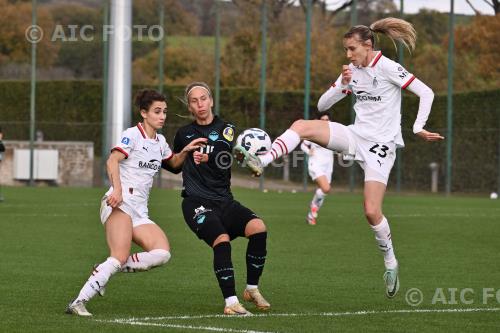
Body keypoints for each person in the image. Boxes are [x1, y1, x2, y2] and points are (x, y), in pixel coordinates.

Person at [235, 17, 444, 298]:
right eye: (345, 49)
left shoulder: (387, 67)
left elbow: (426, 92)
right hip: (355, 135)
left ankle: (391, 262)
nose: (348, 55)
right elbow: (322, 104)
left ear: (367, 46)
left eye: (352, 49)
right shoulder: (351, 71)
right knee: (301, 125)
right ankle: (263, 160)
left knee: (371, 211)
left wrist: (417, 127)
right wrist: (342, 85)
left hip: (381, 146)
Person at [66, 89, 206, 316]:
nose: (162, 116)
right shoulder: (133, 134)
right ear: (144, 113)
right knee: (119, 256)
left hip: (140, 211)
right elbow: (112, 160)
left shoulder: (160, 141)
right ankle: (78, 302)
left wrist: (187, 151)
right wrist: (118, 190)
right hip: (119, 203)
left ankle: (103, 271)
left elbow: (173, 164)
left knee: (162, 253)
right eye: (157, 112)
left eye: (165, 112)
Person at [166, 82, 270, 316]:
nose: (200, 104)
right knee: (221, 240)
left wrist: (250, 163)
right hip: (196, 202)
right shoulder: (184, 134)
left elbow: (230, 157)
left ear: (211, 100)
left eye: (204, 98)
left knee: (259, 229)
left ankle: (252, 289)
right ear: (189, 106)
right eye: (194, 101)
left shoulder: (228, 129)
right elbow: (173, 167)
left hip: (224, 201)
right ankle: (231, 302)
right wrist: (186, 153)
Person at [300, 111, 334, 225]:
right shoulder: (314, 132)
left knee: (324, 190)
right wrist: (309, 151)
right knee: (326, 188)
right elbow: (303, 145)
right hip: (316, 164)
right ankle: (314, 204)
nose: (325, 122)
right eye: (323, 120)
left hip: (328, 166)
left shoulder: (334, 133)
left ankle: (311, 216)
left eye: (327, 120)